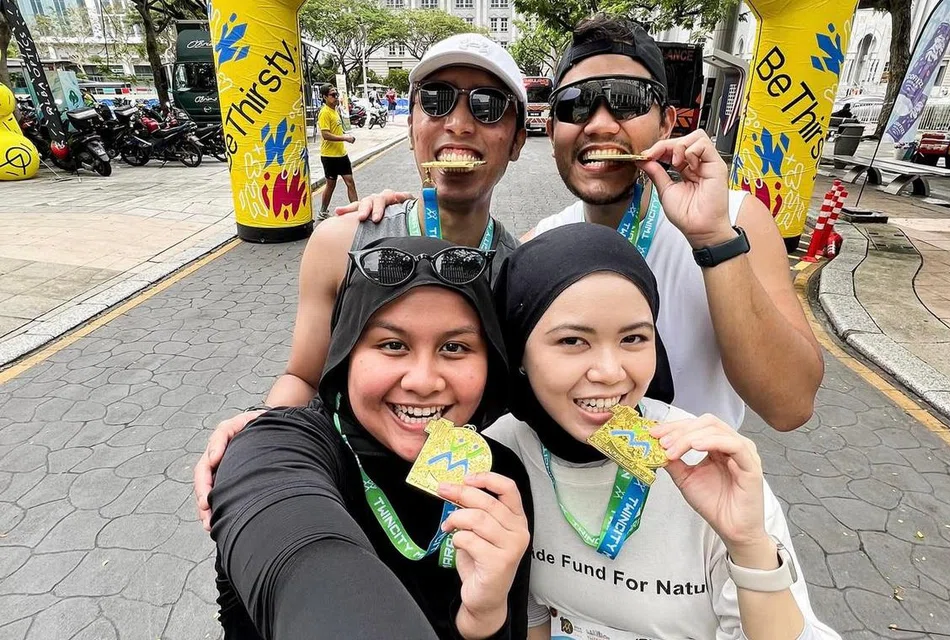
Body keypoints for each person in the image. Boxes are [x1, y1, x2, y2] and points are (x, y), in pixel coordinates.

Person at [339, 14, 823, 434]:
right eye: (576, 103)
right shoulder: (539, 247)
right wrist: (396, 219)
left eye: (628, 100)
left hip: (696, 502)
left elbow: (790, 407)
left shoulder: (735, 220)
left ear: (667, 123)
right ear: (551, 131)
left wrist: (713, 240)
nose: (600, 124)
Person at [194, 34, 529, 531]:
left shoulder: (520, 272)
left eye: (487, 105)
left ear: (518, 140)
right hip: (346, 498)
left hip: (464, 516)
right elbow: (303, 378)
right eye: (436, 100)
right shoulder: (342, 242)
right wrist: (266, 437)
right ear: (411, 125)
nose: (459, 123)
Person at [486, 223, 839, 640]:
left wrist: (748, 544)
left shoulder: (707, 463)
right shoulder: (500, 452)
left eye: (633, 338)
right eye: (573, 341)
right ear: (519, 350)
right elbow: (530, 612)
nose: (610, 372)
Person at [210, 235, 533, 639]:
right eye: (393, 345)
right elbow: (297, 551)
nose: (423, 381)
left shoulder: (498, 479)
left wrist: (483, 616)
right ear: (346, 352)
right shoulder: (282, 447)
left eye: (454, 347)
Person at [317, 83, 358, 218]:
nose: (336, 97)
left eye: (336, 94)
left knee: (350, 182)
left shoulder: (335, 110)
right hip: (329, 156)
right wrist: (345, 138)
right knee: (331, 185)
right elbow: (325, 135)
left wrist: (345, 135)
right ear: (324, 97)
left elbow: (336, 130)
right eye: (332, 95)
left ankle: (357, 211)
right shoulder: (324, 113)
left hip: (341, 154)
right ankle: (323, 211)